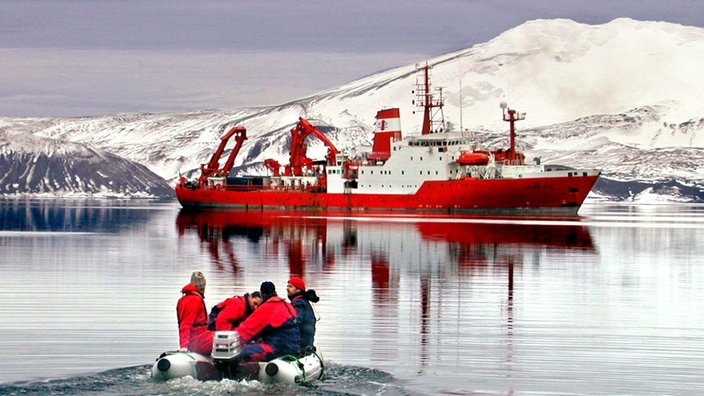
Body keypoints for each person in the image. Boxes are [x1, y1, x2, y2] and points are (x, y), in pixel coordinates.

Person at [233, 281, 300, 362]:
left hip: (278, 349)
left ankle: (233, 373)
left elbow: (246, 331)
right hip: (294, 347)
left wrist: (230, 342)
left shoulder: (268, 307)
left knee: (239, 352)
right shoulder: (287, 305)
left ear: (262, 294)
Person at [176, 271, 214, 355]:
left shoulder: (183, 300)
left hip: (196, 339)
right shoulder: (194, 300)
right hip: (198, 341)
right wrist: (184, 347)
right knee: (228, 339)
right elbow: (185, 324)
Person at [286, 277, 320, 350]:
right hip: (305, 342)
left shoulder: (299, 304)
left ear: (298, 289)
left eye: (290, 286)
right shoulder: (302, 302)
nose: (287, 288)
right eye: (287, 286)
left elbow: (294, 322)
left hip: (300, 344)